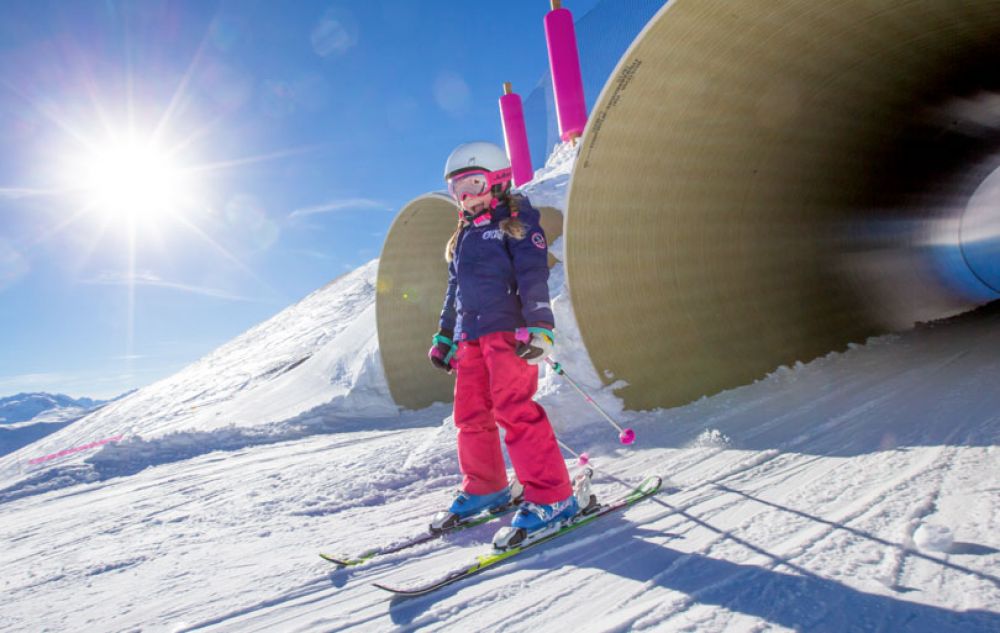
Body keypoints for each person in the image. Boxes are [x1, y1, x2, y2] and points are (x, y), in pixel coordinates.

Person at [428, 141, 578, 543]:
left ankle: (554, 496)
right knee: (470, 415)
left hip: (508, 335)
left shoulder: (517, 224)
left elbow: (533, 277)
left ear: (497, 183)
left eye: (473, 185)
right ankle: (486, 485)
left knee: (515, 410)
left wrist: (541, 326)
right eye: (457, 190)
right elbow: (453, 292)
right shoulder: (462, 238)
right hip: (469, 339)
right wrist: (445, 336)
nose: (466, 198)